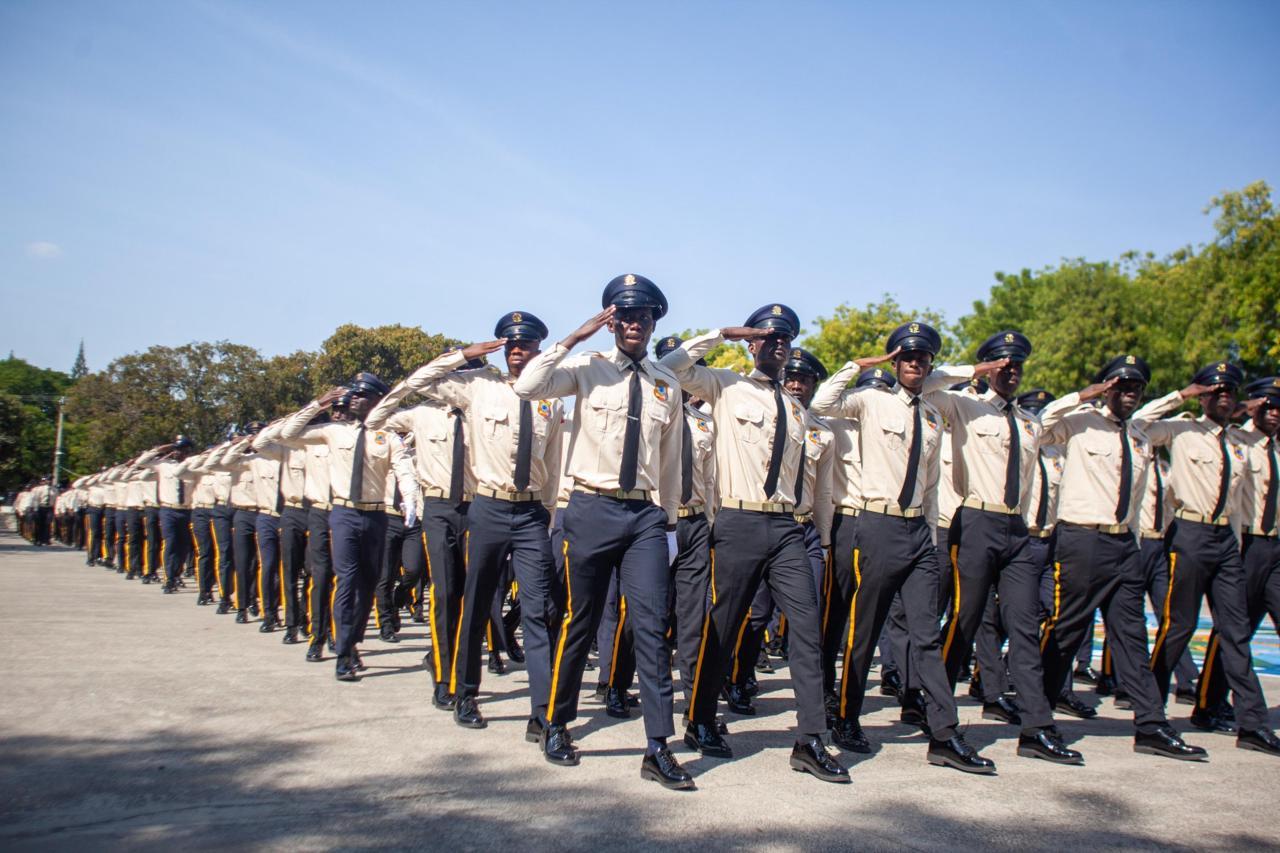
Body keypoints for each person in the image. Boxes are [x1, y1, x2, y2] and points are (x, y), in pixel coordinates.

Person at [512, 274, 692, 790]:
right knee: (581, 621)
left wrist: (672, 521)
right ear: (612, 322)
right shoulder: (586, 370)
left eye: (644, 316)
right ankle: (557, 723)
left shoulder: (666, 383)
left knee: (652, 626)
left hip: (644, 517)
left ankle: (659, 747)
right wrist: (572, 338)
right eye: (625, 316)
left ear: (656, 321)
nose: (635, 323)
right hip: (589, 507)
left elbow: (671, 460)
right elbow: (528, 387)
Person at [665, 306, 849, 784]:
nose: (778, 344)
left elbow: (817, 484)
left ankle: (811, 739)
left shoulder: (796, 407)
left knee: (807, 629)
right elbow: (673, 369)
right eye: (767, 337)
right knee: (723, 626)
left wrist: (823, 541)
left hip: (787, 527)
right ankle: (701, 718)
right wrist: (720, 334)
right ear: (751, 344)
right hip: (738, 520)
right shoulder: (726, 385)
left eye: (784, 337)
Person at [810, 320, 995, 773]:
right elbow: (820, 402)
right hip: (875, 525)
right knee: (864, 630)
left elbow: (930, 485)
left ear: (931, 363)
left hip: (918, 532)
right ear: (895, 361)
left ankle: (944, 734)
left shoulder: (933, 414)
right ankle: (847, 717)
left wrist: (930, 537)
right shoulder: (871, 401)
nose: (915, 363)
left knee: (927, 635)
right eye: (906, 356)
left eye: (923, 357)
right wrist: (858, 365)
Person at [372, 311, 565, 738]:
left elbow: (551, 466)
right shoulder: (477, 387)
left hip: (531, 512)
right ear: (502, 347)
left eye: (526, 345)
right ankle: (466, 693)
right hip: (489, 508)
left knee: (537, 611)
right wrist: (460, 355)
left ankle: (542, 711)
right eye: (510, 344)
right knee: (475, 604)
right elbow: (416, 384)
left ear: (537, 350)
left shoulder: (552, 398)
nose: (518, 351)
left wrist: (547, 518)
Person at [1037, 355, 1207, 761]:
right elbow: (1039, 427)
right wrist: (1082, 395)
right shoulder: (1078, 423)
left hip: (1124, 545)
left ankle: (1151, 725)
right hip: (1082, 540)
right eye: (1121, 386)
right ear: (1106, 388)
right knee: (1066, 631)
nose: (1129, 393)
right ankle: (1037, 718)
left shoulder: (1139, 436)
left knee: (1131, 636)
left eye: (1136, 387)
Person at [923, 332, 1072, 762]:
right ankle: (939, 723)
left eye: (1016, 367)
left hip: (1016, 528)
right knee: (964, 621)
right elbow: (929, 383)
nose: (1010, 373)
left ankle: (1037, 728)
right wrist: (974, 372)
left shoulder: (1029, 422)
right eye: (1001, 365)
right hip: (974, 522)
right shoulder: (964, 406)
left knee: (1024, 626)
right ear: (987, 367)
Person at [1134, 361, 1280, 755]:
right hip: (1189, 535)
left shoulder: (1239, 441)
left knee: (1235, 632)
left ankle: (1252, 724)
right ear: (1203, 397)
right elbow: (1139, 423)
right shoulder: (1182, 430)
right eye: (1214, 392)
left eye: (1229, 392)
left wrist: (1253, 408)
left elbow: (1266, 439)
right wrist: (1182, 394)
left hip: (1225, 540)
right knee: (1178, 626)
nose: (1222, 398)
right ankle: (1150, 715)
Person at [279, 373, 417, 682]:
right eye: (353, 393)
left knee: (368, 584)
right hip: (343, 513)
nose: (354, 398)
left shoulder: (387, 437)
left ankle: (352, 641)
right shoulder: (333, 433)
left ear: (377, 401)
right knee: (348, 579)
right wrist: (318, 404)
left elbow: (404, 470)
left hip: (377, 515)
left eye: (362, 394)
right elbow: (289, 434)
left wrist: (409, 499)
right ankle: (342, 653)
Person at [364, 352, 481, 707]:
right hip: (439, 508)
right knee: (444, 593)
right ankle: (445, 677)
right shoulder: (421, 414)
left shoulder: (482, 411)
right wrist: (413, 381)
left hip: (477, 508)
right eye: (455, 377)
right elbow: (375, 418)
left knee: (470, 597)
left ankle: (453, 665)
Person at [1192, 376, 1280, 730]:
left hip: (1275, 547)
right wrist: (1245, 410)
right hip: (1247, 545)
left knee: (1237, 631)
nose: (1274, 413)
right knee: (1233, 630)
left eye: (1279, 406)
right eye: (1267, 405)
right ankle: (1208, 704)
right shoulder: (1237, 441)